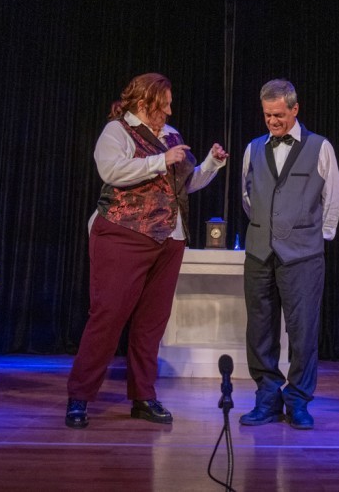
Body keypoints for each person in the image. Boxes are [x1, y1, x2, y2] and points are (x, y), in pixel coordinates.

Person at [65, 73, 228, 428]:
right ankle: (80, 395)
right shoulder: (117, 131)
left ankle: (143, 395)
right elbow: (111, 171)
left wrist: (211, 164)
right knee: (108, 315)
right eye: (164, 104)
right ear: (144, 104)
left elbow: (184, 184)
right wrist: (160, 160)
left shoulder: (171, 135)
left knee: (151, 322)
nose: (169, 111)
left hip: (170, 238)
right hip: (125, 234)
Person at [239, 79, 339, 430]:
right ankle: (267, 398)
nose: (272, 121)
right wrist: (264, 227)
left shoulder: (319, 147)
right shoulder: (253, 148)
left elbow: (333, 198)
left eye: (279, 115)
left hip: (303, 256)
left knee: (303, 331)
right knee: (260, 329)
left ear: (295, 110)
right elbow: (247, 196)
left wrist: (316, 237)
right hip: (259, 253)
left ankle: (298, 400)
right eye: (267, 115)